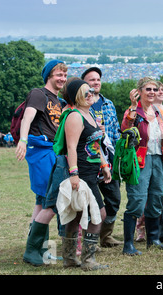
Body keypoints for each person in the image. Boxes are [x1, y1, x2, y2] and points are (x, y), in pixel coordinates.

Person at [120, 77, 163, 255]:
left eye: (155, 90)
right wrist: (132, 106)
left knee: (157, 197)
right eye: (148, 89)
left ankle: (153, 239)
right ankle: (128, 245)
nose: (152, 93)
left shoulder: (160, 113)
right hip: (140, 161)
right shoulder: (134, 111)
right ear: (139, 91)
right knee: (137, 200)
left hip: (159, 159)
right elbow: (125, 128)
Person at [17, 59, 67, 266]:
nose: (62, 78)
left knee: (41, 200)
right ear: (49, 76)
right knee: (51, 199)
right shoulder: (39, 94)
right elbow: (27, 118)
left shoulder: (58, 100)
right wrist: (22, 139)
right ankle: (32, 250)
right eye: (58, 75)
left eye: (64, 75)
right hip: (41, 150)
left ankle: (41, 251)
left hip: (52, 151)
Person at [60, 79, 111, 270]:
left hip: (92, 172)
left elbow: (95, 144)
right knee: (99, 214)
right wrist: (73, 174)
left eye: (91, 91)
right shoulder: (74, 116)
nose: (90, 94)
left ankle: (69, 258)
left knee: (77, 214)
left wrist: (104, 164)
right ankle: (88, 260)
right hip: (80, 173)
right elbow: (71, 147)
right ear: (76, 97)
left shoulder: (89, 114)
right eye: (85, 92)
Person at [81, 67, 122, 248]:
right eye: (91, 80)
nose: (96, 82)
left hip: (109, 159)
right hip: (89, 160)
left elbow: (116, 131)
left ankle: (106, 235)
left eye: (98, 79)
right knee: (91, 204)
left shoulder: (108, 104)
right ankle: (91, 238)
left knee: (114, 199)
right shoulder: (80, 106)